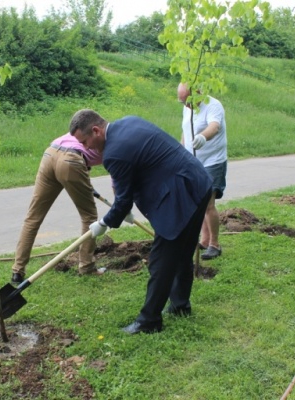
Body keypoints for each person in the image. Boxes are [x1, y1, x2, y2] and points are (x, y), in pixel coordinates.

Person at [69, 109, 212, 334]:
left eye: (85, 141)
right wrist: (122, 208)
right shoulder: (128, 122)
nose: (86, 148)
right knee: (183, 252)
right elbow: (140, 171)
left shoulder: (114, 153)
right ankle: (180, 306)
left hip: (180, 195)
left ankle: (149, 321)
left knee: (160, 260)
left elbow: (124, 200)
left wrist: (104, 222)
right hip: (197, 182)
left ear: (96, 130)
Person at [11, 132, 105, 284]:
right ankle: (86, 267)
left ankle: (17, 271)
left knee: (33, 218)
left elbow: (83, 159)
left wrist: (85, 182)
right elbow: (115, 174)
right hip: (71, 161)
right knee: (89, 216)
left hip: (50, 153)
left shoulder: (90, 128)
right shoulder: (110, 143)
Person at [178, 83, 227, 260]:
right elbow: (185, 131)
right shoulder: (188, 108)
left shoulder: (213, 105)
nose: (185, 105)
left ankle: (215, 244)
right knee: (198, 203)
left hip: (213, 161)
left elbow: (215, 126)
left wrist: (202, 137)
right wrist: (181, 152)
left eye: (187, 101)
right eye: (182, 102)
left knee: (208, 204)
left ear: (197, 93)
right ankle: (205, 241)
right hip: (193, 162)